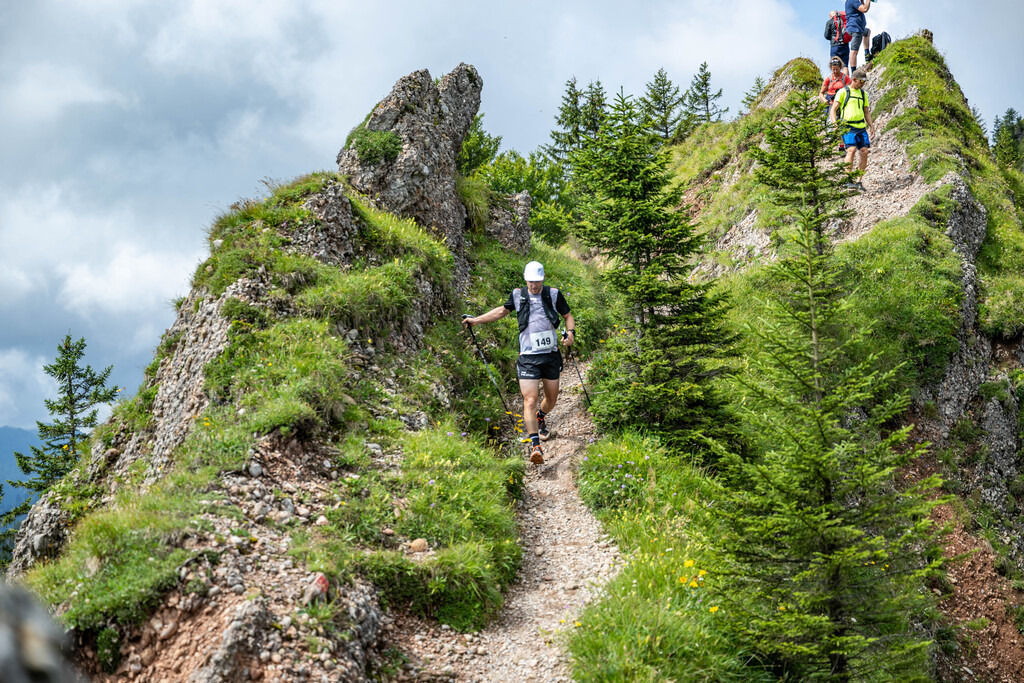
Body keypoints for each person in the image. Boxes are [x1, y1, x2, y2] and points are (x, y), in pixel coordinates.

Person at [462, 260, 575, 465]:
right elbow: (500, 312)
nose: (534, 285)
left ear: (542, 279)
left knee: (551, 400)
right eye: (530, 281)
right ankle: (535, 447)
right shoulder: (518, 295)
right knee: (529, 400)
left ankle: (541, 417)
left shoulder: (553, 294)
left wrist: (571, 333)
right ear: (526, 279)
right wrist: (475, 320)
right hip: (528, 357)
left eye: (537, 282)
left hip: (550, 354)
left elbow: (567, 316)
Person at [829, 69, 876, 191]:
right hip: (847, 126)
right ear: (854, 79)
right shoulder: (843, 92)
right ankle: (848, 179)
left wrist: (871, 125)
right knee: (851, 150)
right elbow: (833, 109)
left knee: (864, 151)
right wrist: (835, 124)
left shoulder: (863, 94)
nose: (863, 84)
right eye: (861, 81)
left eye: (864, 82)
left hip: (861, 127)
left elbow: (866, 111)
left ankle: (859, 181)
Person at [845, 0, 873, 73]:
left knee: (867, 32)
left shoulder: (851, 1)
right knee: (854, 51)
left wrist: (862, 1)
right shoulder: (853, 1)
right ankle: (854, 73)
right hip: (856, 29)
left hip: (857, 28)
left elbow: (861, 7)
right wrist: (868, 1)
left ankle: (867, 54)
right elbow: (865, 9)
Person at [824, 10, 850, 76]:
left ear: (830, 16)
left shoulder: (829, 22)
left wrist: (833, 38)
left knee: (835, 65)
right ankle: (846, 83)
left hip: (835, 46)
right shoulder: (843, 20)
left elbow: (826, 35)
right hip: (845, 45)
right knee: (845, 66)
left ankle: (837, 83)